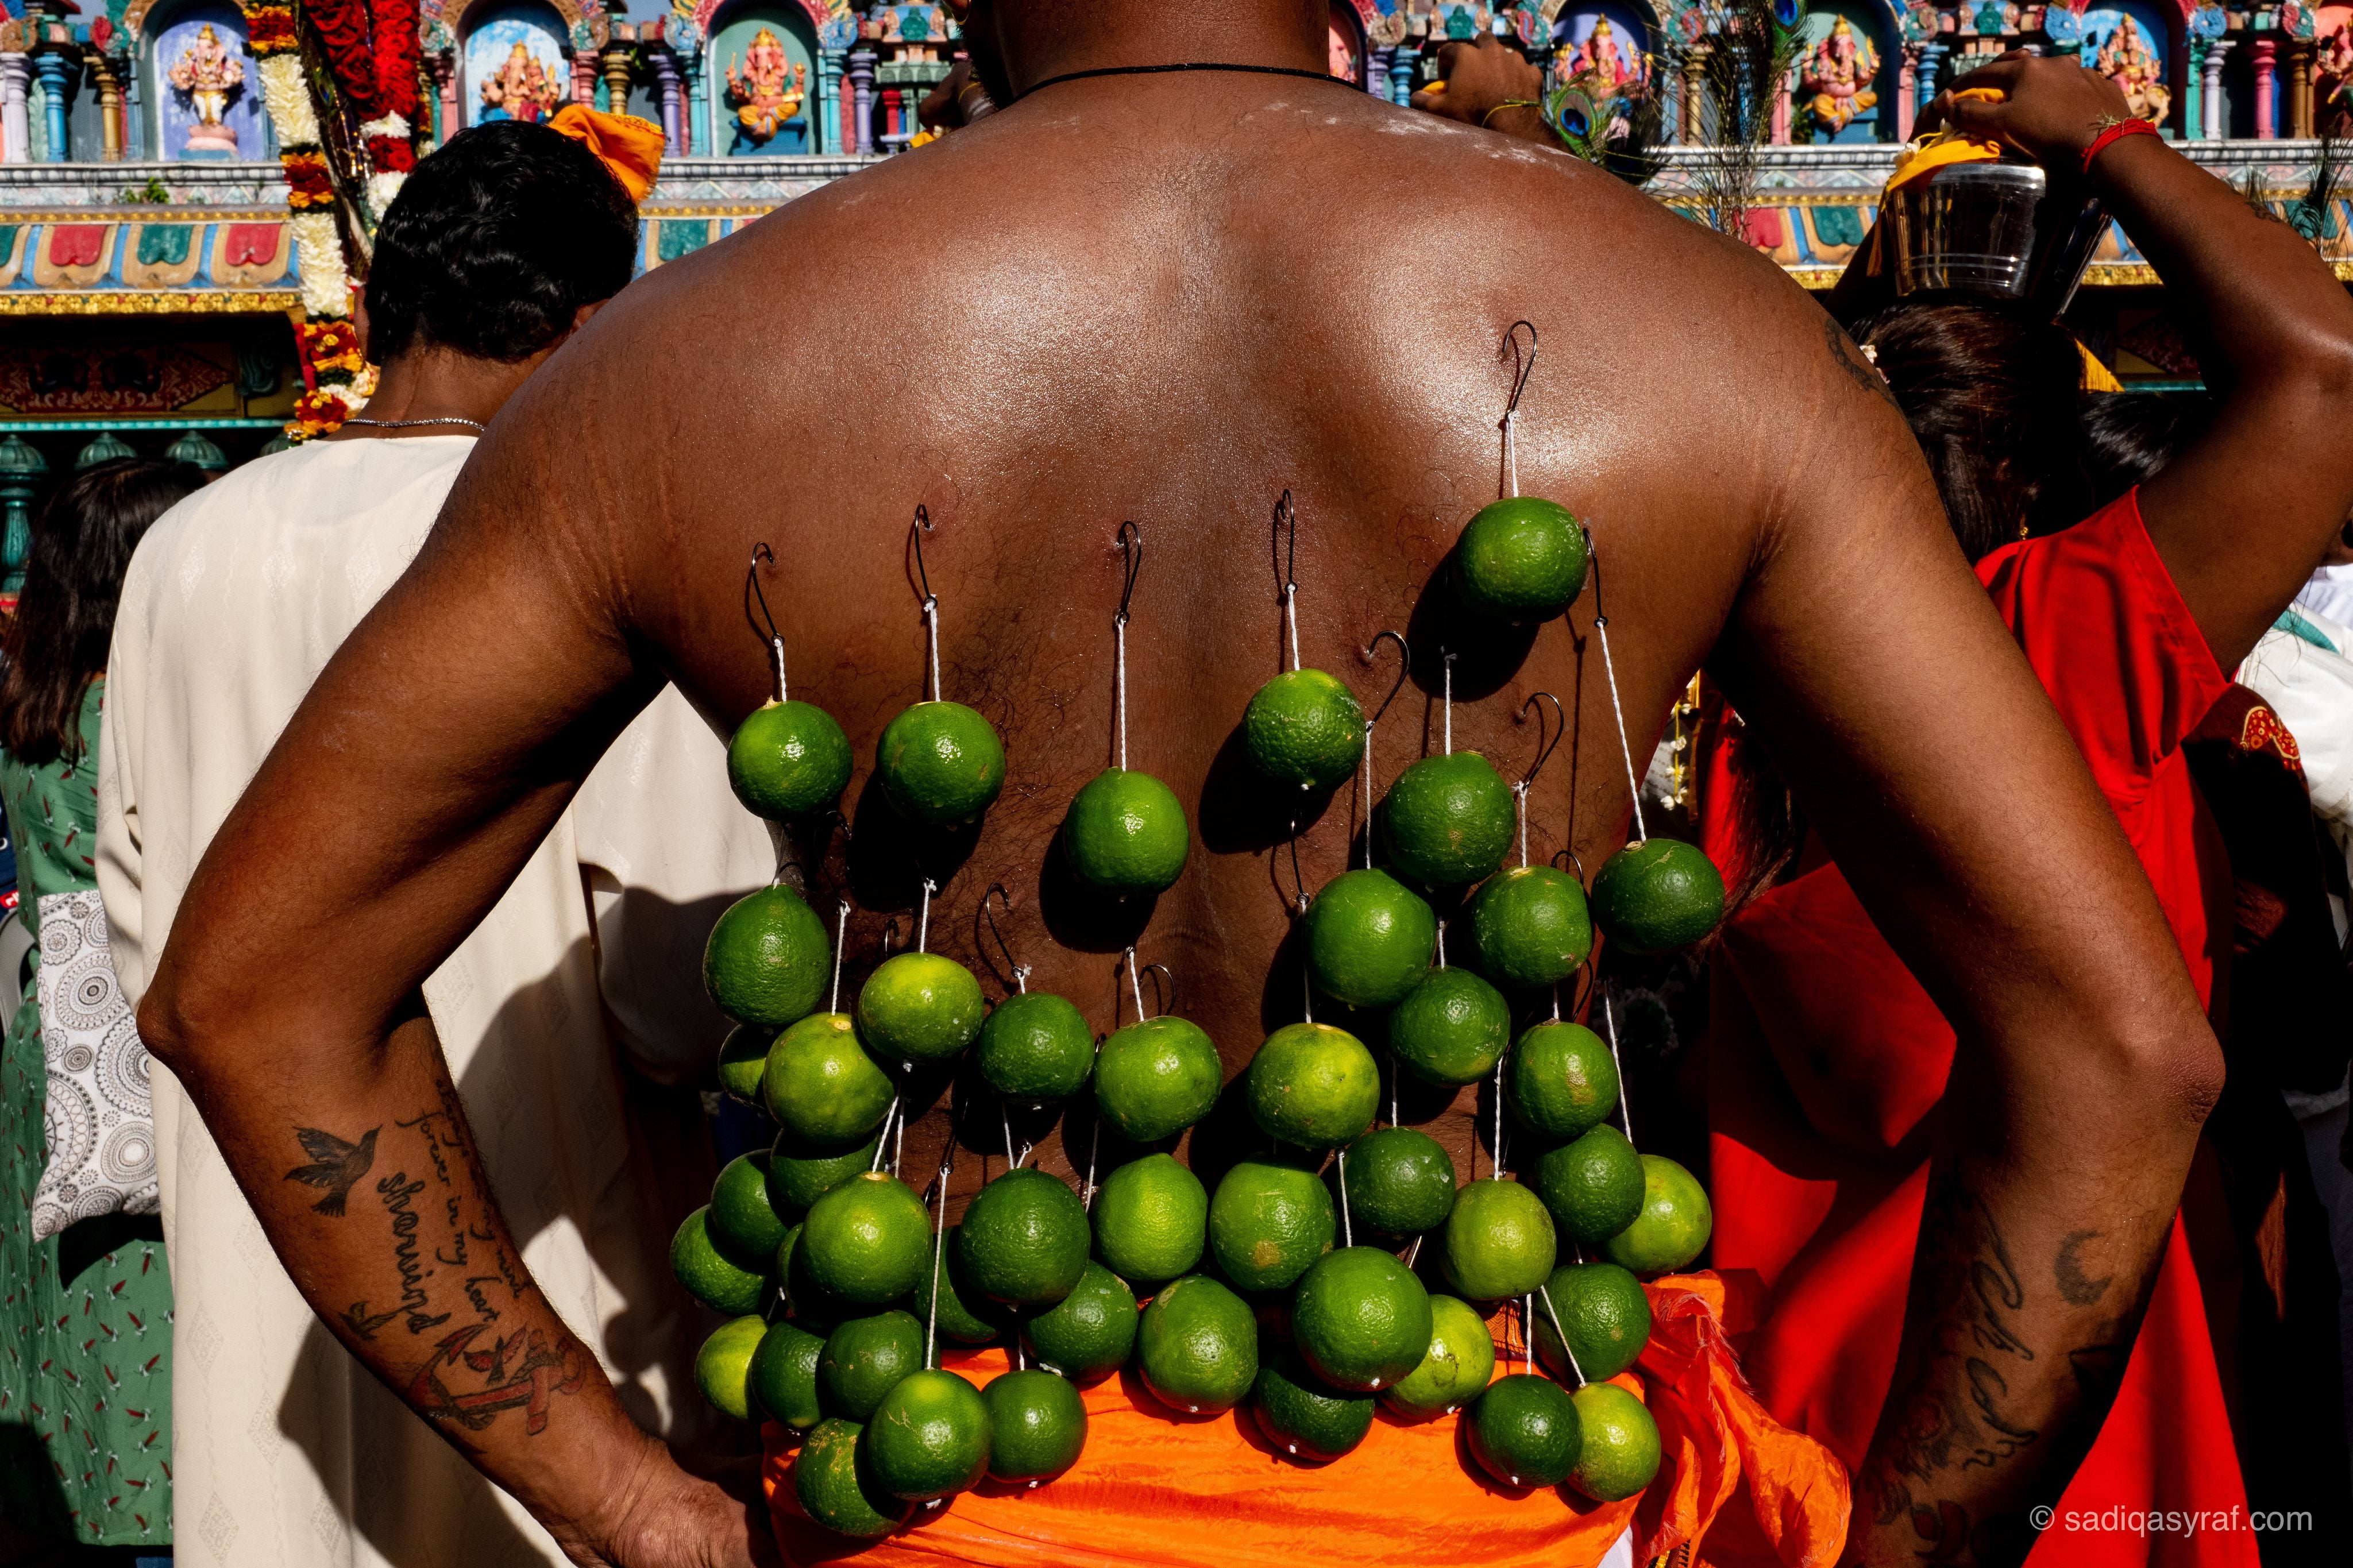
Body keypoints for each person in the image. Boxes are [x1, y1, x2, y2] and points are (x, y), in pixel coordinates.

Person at [133, 5, 2242, 1563]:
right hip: (1489, 1463)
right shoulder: (1706, 345)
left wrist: (639, 1508)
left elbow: (253, 989)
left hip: (945, 1487)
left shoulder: (683, 372)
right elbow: (2126, 1051)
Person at [1681, 58, 2353, 1564]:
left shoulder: (1746, 710)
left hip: (1791, 1425)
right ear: (2036, 474)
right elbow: (2323, 370)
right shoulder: (2059, 641)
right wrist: (2099, 134)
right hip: (2061, 1427)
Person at [94, 118, 771, 1568]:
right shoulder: (583, 545)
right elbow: (684, 995)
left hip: (271, 1258)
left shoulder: (181, 549)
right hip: (542, 1320)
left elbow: (156, 950)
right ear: (589, 332)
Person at [0, 457, 200, 1563]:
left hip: (54, 1047)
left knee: (70, 1326)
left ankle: (66, 1522)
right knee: (156, 1324)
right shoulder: (158, 717)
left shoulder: (35, 716)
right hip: (147, 1041)